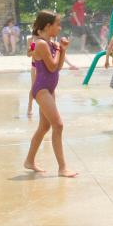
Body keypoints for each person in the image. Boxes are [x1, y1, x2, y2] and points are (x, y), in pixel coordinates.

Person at [23, 10, 76, 177]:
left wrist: (63, 49)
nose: (60, 28)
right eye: (57, 25)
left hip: (49, 89)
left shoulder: (50, 44)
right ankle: (62, 168)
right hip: (41, 89)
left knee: (44, 127)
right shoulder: (41, 44)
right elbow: (52, 66)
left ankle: (29, 161)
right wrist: (60, 49)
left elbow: (58, 67)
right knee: (58, 125)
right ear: (48, 26)